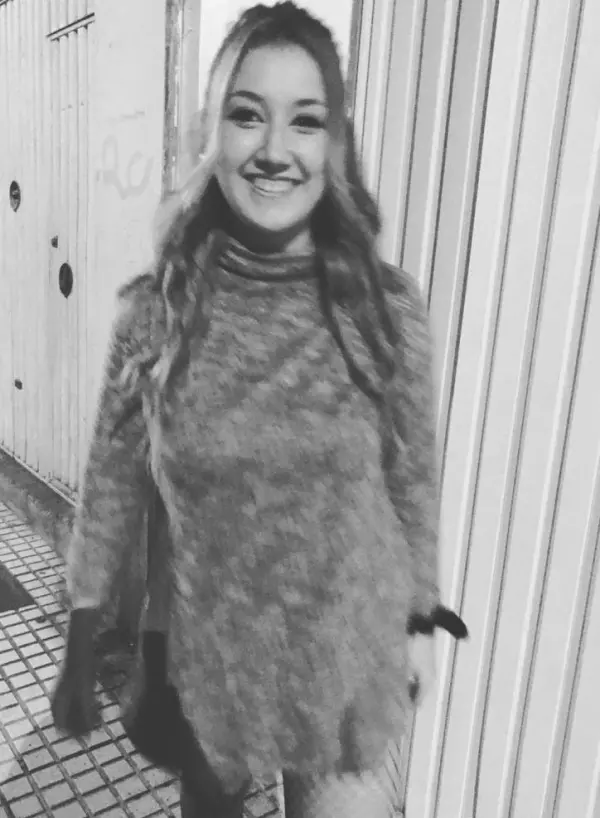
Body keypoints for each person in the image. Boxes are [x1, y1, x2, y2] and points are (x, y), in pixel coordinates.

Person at [50, 3, 467, 817]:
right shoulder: (156, 313)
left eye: (305, 121)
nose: (275, 149)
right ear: (215, 133)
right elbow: (109, 492)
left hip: (346, 665)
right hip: (210, 671)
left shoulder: (384, 311)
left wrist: (420, 619)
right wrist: (76, 645)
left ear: (332, 142)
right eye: (248, 115)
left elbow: (412, 483)